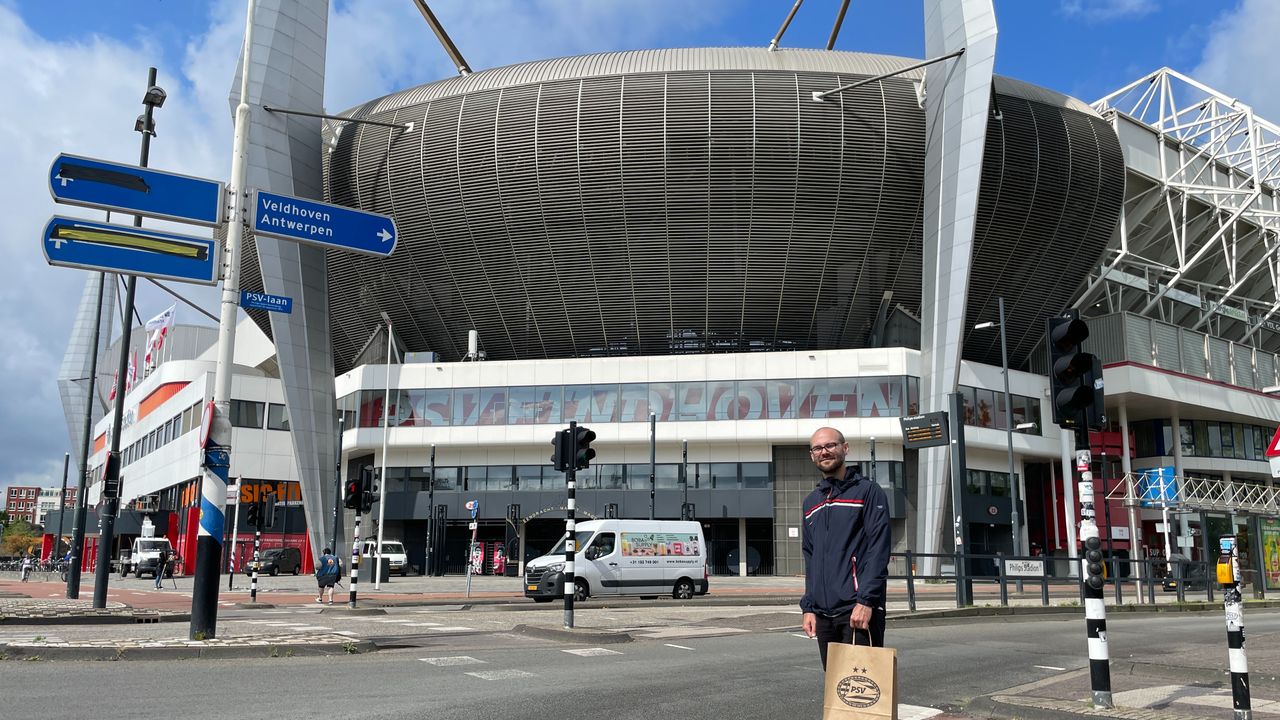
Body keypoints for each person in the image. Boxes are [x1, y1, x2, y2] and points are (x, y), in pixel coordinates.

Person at [800, 427, 892, 669]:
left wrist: (866, 601)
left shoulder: (868, 492)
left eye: (830, 445)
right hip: (823, 614)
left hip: (857, 610)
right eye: (818, 448)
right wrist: (808, 608)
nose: (824, 452)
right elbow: (810, 556)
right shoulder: (811, 503)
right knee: (836, 689)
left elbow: (878, 548)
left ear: (845, 448)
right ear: (812, 455)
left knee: (863, 687)